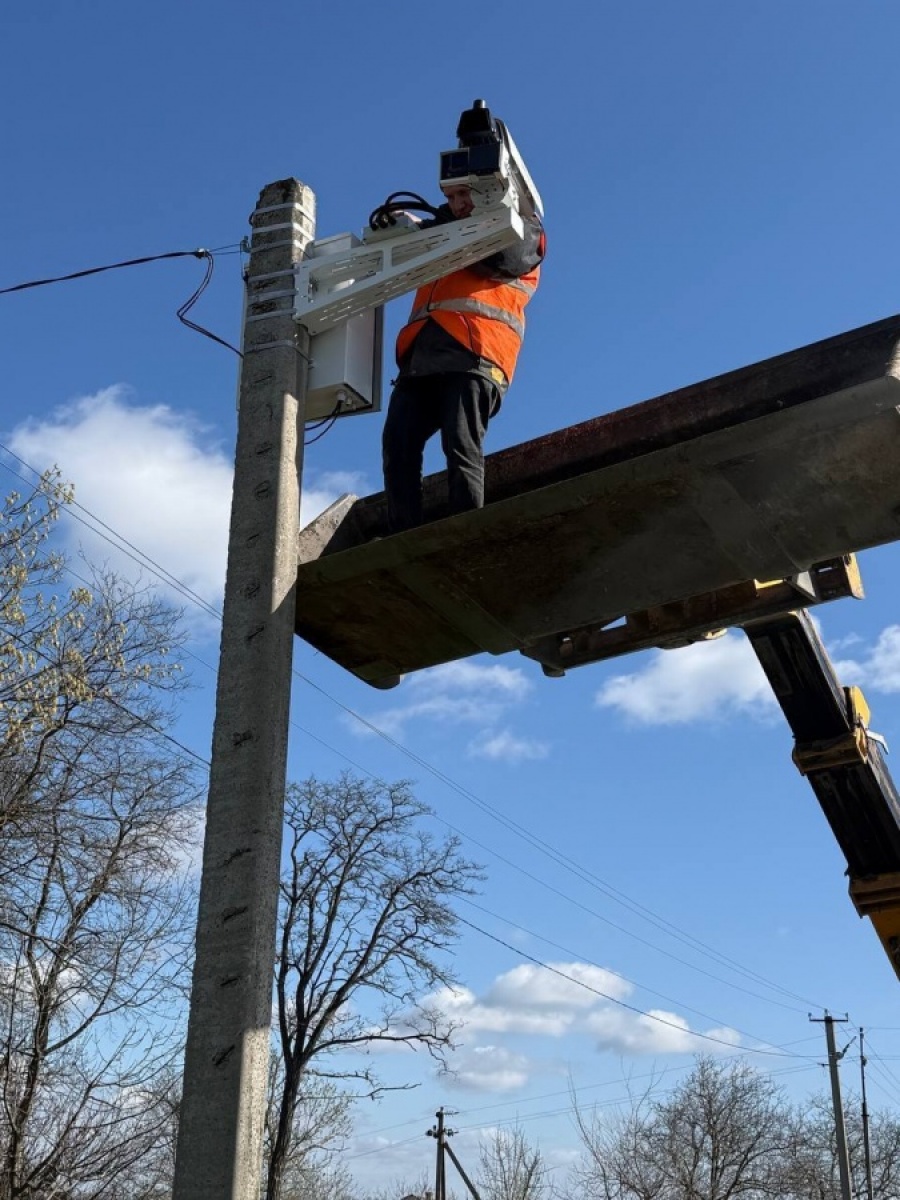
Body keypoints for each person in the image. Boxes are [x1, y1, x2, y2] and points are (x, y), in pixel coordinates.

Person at [381, 183, 545, 533]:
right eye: (451, 197)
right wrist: (404, 229)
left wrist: (432, 229)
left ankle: (467, 532)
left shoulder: (524, 229)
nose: (457, 204)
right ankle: (402, 536)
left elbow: (499, 259)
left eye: (464, 195)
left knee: (460, 442)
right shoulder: (443, 228)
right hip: (423, 353)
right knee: (398, 443)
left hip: (477, 350)